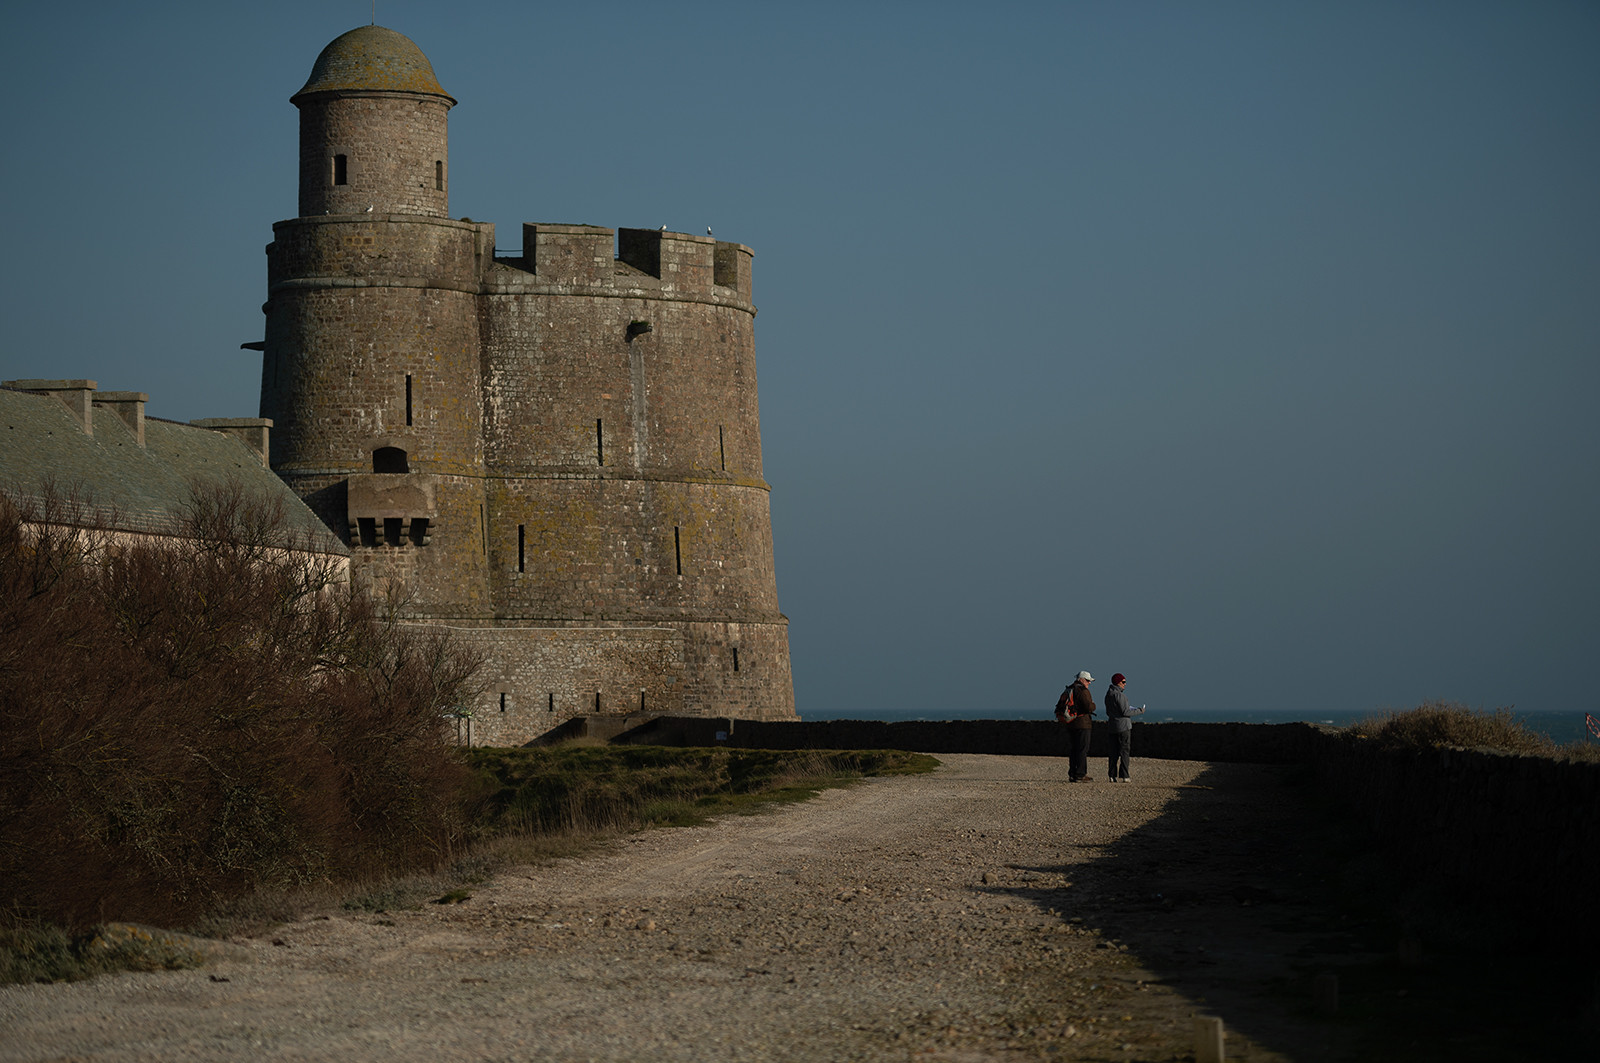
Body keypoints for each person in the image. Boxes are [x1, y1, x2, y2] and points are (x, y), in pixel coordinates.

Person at [1054, 670, 1097, 782]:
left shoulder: (1070, 688)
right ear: (1081, 679)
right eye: (1088, 680)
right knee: (1082, 749)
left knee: (1074, 749)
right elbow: (1089, 707)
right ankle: (1080, 774)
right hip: (1082, 723)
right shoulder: (1083, 690)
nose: (1089, 683)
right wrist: (1094, 705)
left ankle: (1072, 773)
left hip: (1071, 723)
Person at [1103, 673, 1145, 782]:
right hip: (1123, 727)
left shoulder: (1108, 695)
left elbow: (1108, 712)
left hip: (1112, 726)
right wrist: (1140, 711)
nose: (1125, 684)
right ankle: (1125, 775)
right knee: (1124, 751)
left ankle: (1112, 775)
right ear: (1118, 682)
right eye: (1123, 682)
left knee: (1113, 752)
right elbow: (1125, 711)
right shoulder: (1120, 696)